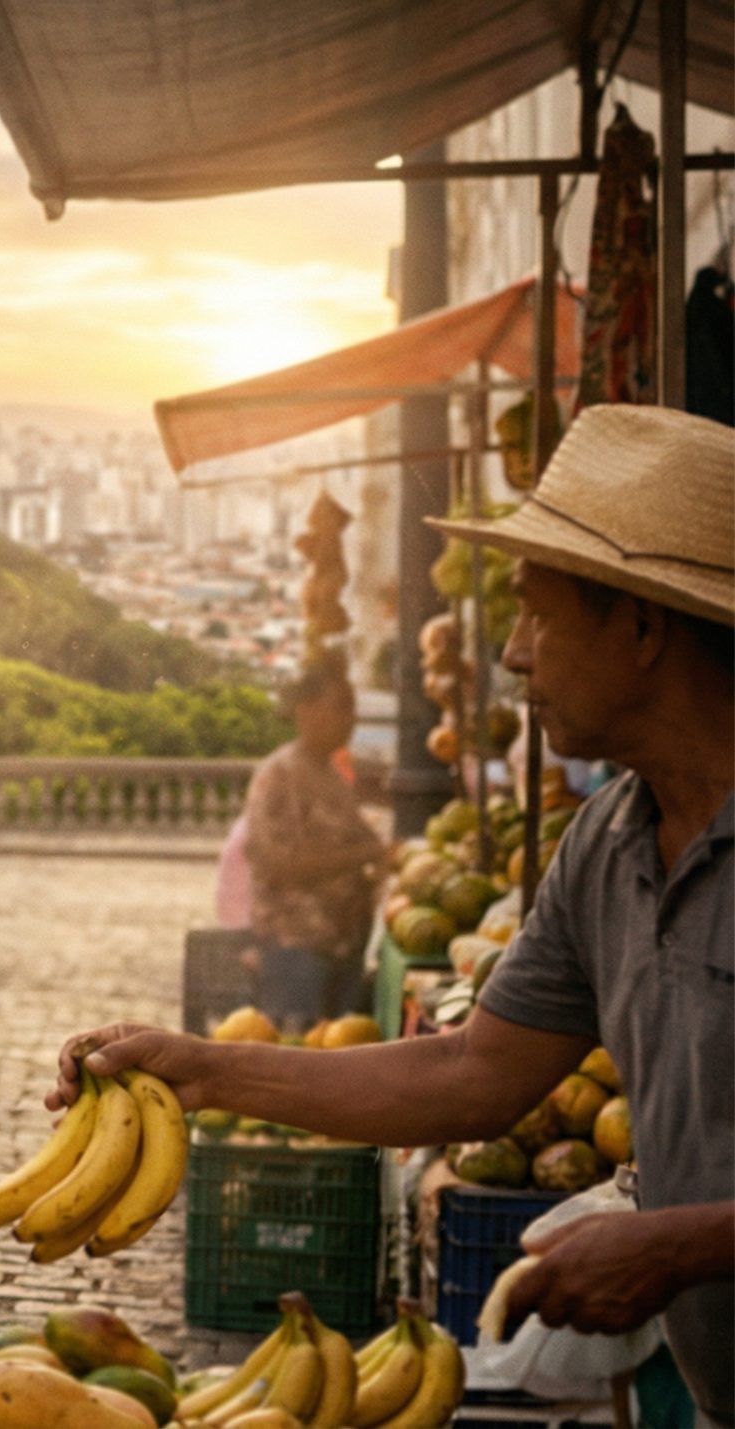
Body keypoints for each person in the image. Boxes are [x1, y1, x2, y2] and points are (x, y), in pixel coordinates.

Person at [51, 404, 734, 1424]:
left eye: (537, 613)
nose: (510, 655)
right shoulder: (605, 844)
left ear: (639, 627)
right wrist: (205, 1069)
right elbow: (468, 1071)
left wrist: (684, 1242)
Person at [238, 654, 386, 1030]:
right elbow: (277, 864)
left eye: (352, 709)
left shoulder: (332, 772)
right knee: (296, 1052)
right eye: (341, 708)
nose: (351, 719)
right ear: (306, 711)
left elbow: (361, 839)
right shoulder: (279, 774)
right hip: (296, 948)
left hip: (343, 945)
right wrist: (363, 855)